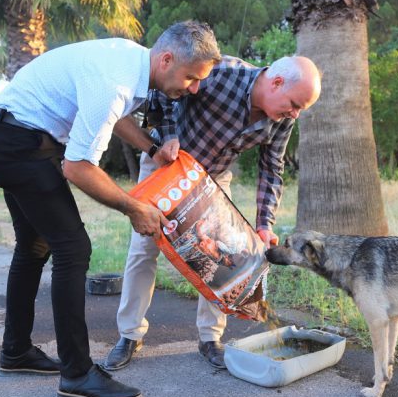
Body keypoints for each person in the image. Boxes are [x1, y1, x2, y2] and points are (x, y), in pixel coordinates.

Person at [0, 21, 221, 397]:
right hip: (20, 146)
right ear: (167, 58)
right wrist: (132, 207)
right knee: (73, 249)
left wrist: (149, 146)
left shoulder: (130, 62)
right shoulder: (116, 82)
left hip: (11, 135)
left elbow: (117, 115)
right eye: (191, 77)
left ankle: (16, 351)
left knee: (34, 247)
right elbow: (77, 167)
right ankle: (76, 373)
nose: (192, 89)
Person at [105, 55, 321, 371]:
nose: (295, 114)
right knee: (144, 248)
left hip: (213, 177)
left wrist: (264, 224)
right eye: (294, 104)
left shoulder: (283, 116)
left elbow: (271, 167)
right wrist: (167, 136)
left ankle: (210, 338)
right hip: (166, 165)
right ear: (276, 82)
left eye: (301, 108)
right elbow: (161, 90)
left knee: (224, 254)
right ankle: (129, 335)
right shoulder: (220, 73)